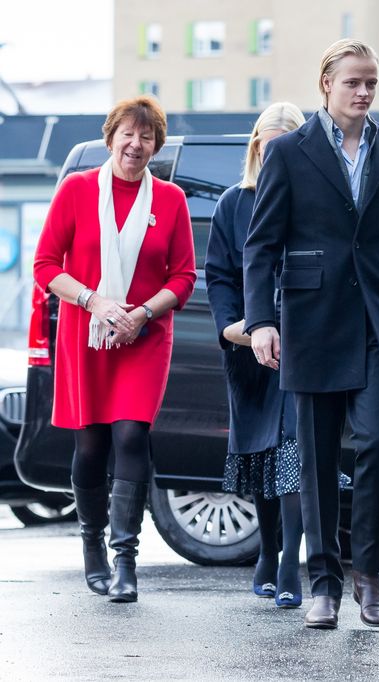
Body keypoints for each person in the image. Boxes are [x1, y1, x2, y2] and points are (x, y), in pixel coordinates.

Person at [244, 39, 379, 630]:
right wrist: (262, 321)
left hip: (378, 319)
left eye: (372, 82)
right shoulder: (291, 153)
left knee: (376, 444)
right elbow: (262, 244)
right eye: (353, 82)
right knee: (318, 458)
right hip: (311, 320)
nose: (364, 91)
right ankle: (322, 581)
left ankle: (368, 575)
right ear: (326, 84)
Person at [33, 96, 197, 603]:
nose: (136, 144)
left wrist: (142, 312)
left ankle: (126, 561)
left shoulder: (170, 200)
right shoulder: (77, 190)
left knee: (130, 437)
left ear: (156, 146)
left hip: (143, 337)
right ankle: (92, 548)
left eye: (146, 137)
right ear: (111, 137)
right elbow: (44, 265)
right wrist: (94, 301)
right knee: (91, 446)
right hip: (87, 335)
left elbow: (184, 276)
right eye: (128, 133)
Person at [206, 101, 341, 609]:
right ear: (257, 143)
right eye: (269, 138)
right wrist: (231, 328)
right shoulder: (232, 203)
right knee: (261, 451)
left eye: (288, 138)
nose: (276, 147)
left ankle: (289, 562)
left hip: (303, 345)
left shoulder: (315, 200)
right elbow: (219, 274)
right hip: (247, 346)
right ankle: (268, 549)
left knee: (293, 448)